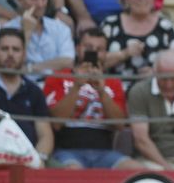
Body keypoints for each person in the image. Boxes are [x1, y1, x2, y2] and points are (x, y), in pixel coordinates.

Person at [44, 26, 140, 168]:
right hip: (67, 151)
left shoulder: (113, 82)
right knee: (73, 170)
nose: (93, 52)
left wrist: (102, 91)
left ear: (105, 53)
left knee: (136, 170)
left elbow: (119, 125)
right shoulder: (58, 77)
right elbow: (56, 123)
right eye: (88, 46)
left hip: (105, 153)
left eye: (99, 49)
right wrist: (76, 86)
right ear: (78, 48)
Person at [0, 27, 53, 161]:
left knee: (69, 172)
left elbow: (46, 135)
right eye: (4, 49)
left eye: (16, 49)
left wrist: (39, 158)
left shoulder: (35, 91)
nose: (10, 54)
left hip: (31, 159)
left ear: (24, 54)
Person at [97, 0, 174, 80]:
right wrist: (124, 54)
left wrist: (156, 72)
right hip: (114, 92)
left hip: (154, 91)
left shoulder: (166, 27)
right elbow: (94, 64)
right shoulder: (110, 24)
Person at [3, 0, 73, 80]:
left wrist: (32, 68)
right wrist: (26, 33)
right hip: (24, 86)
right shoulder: (7, 29)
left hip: (54, 84)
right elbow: (13, 64)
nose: (40, 4)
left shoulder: (60, 28)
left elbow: (68, 61)